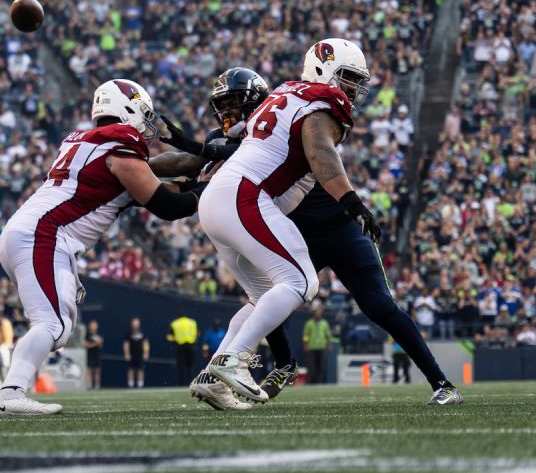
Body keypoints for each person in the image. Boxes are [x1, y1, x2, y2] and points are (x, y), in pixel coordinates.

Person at [158, 65, 461, 407]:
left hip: (338, 226)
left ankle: (441, 382)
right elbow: (193, 160)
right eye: (223, 103)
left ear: (259, 101)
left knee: (377, 305)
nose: (228, 111)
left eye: (235, 102)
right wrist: (142, 164)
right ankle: (270, 363)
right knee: (277, 289)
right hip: (285, 223)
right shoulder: (258, 127)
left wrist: (195, 148)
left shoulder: (292, 120)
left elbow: (297, 153)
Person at [0, 79, 203, 416]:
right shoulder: (122, 140)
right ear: (128, 108)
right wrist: (211, 188)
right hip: (44, 234)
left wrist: (202, 174)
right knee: (52, 325)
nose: (147, 126)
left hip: (30, 231)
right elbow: (167, 206)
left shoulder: (84, 141)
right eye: (144, 115)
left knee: (56, 328)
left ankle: (6, 394)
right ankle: (10, 393)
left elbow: (162, 183)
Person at [195, 39, 378, 403]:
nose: (353, 89)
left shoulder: (286, 93)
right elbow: (319, 151)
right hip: (245, 195)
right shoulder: (320, 102)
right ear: (325, 70)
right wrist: (353, 202)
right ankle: (235, 360)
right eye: (348, 77)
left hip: (219, 198)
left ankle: (212, 376)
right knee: (301, 281)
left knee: (261, 295)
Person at [302, 307, 334, 384]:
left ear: (321, 314)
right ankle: (310, 382)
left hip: (322, 347)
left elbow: (328, 335)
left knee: (321, 366)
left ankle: (319, 382)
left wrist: (329, 345)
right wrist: (306, 344)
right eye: (316, 313)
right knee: (311, 366)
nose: (318, 315)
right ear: (314, 314)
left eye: (319, 313)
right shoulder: (309, 323)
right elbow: (306, 335)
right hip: (312, 347)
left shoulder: (324, 323)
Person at [167, 314, 197, 385]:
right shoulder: (192, 322)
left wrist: (173, 340)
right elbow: (196, 333)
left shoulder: (175, 323)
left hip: (180, 346)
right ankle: (191, 382)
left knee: (181, 365)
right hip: (191, 345)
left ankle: (182, 383)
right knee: (190, 365)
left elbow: (170, 336)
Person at [122, 317, 147, 388]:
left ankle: (140, 383)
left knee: (140, 369)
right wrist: (126, 354)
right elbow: (126, 344)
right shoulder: (129, 334)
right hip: (131, 354)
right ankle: (130, 383)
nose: (135, 326)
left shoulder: (142, 333)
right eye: (134, 324)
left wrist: (146, 353)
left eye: (137, 324)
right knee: (131, 369)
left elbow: (146, 343)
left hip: (140, 354)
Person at [84, 319, 103, 389]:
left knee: (97, 371)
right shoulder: (87, 335)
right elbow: (85, 345)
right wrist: (95, 344)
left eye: (95, 325)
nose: (93, 327)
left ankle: (97, 385)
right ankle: (89, 385)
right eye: (92, 325)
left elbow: (101, 345)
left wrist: (99, 343)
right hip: (90, 355)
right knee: (89, 371)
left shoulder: (99, 335)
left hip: (97, 355)